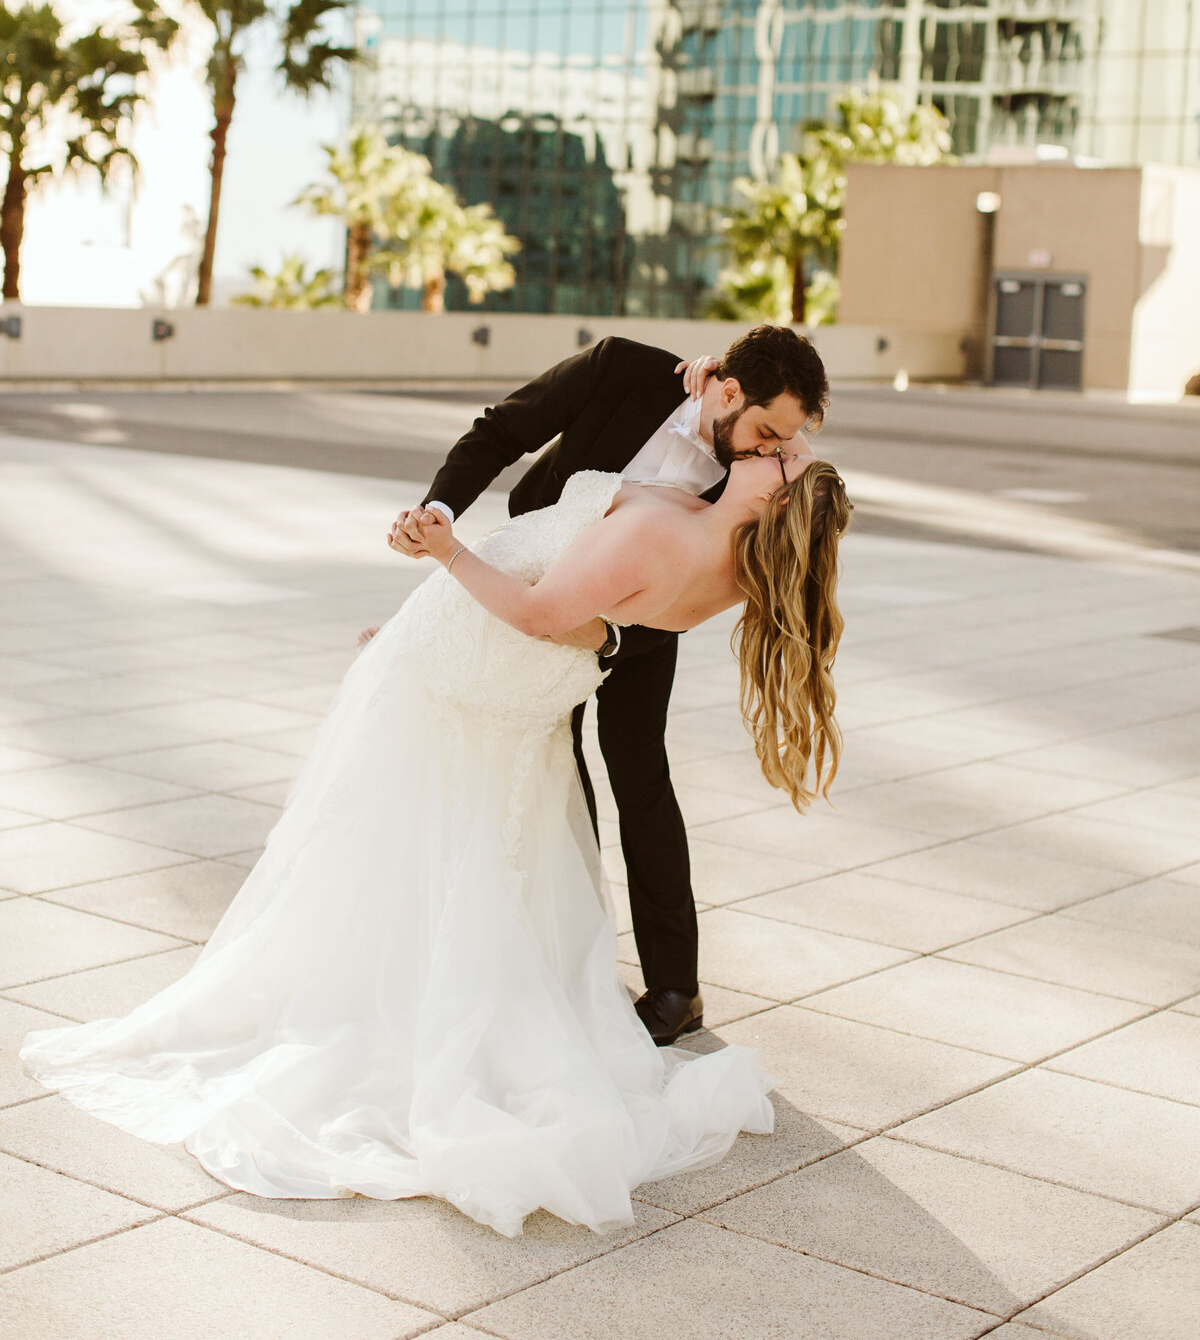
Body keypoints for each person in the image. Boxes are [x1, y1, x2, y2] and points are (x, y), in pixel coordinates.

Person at [22, 443, 850, 1239]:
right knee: (469, 842)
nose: (790, 441)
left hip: (484, 660)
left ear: (775, 494)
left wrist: (449, 557)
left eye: (789, 454)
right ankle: (433, 985)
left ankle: (389, 1005)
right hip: (514, 681)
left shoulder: (666, 532)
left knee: (394, 833)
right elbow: (606, 626)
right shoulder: (732, 565)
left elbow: (537, 612)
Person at [390, 324, 829, 1046]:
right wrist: (440, 510)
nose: (772, 452)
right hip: (545, 584)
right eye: (766, 431)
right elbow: (503, 429)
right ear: (726, 392)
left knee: (639, 776)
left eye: (783, 441)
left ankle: (676, 989)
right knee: (551, 767)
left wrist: (615, 638)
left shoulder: (760, 457)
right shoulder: (623, 368)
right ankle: (575, 948)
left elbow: (803, 470)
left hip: (646, 627)